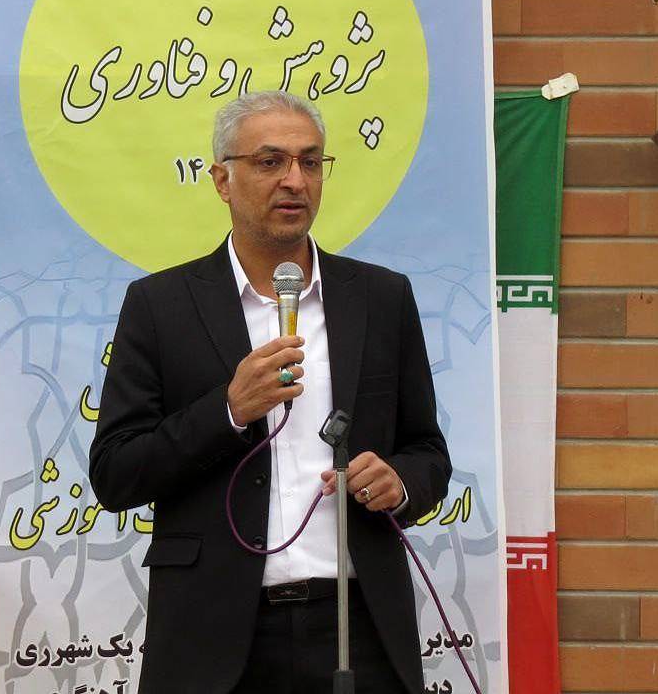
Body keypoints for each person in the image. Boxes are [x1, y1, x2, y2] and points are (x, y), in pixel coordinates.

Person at [89, 91, 451, 694]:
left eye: (310, 162)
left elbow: (428, 452)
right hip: (215, 636)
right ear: (222, 180)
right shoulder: (160, 305)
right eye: (270, 162)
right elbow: (115, 474)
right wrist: (228, 411)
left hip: (357, 624)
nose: (295, 181)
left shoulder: (381, 298)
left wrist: (401, 482)